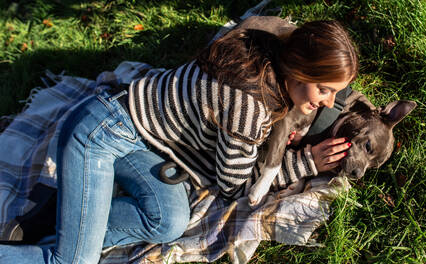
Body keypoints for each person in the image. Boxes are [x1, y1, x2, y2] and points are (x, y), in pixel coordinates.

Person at [0, 20, 358, 263]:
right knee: (74, 260)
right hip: (99, 133)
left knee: (167, 222)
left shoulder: (262, 48)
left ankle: (64, 216)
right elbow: (233, 187)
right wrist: (306, 164)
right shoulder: (249, 106)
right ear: (297, 68)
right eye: (323, 89)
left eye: (334, 93)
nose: (327, 102)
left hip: (145, 141)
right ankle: (71, 226)